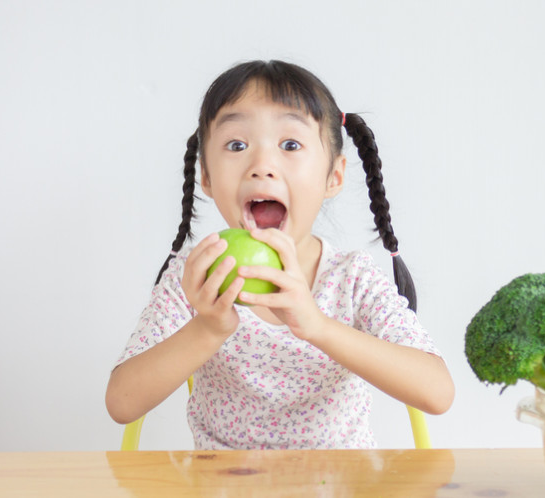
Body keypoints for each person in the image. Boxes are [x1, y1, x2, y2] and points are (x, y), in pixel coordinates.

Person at [105, 60, 454, 450]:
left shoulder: (351, 278)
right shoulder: (195, 277)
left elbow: (437, 392)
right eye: (237, 145)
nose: (262, 166)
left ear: (334, 176)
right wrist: (207, 328)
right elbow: (122, 403)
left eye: (290, 144)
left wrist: (316, 325)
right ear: (205, 175)